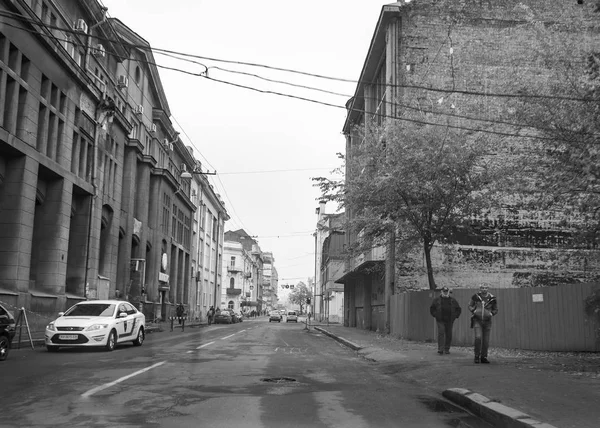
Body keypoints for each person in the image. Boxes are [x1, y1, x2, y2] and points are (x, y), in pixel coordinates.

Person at [468, 283, 499, 364]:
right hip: (477, 320)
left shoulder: (492, 298)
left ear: (488, 288)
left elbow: (495, 309)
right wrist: (474, 311)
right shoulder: (475, 297)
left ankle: (483, 357)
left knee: (486, 340)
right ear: (480, 289)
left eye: (486, 288)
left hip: (487, 321)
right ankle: (476, 356)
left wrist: (491, 314)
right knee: (478, 337)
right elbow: (470, 305)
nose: (484, 289)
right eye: (482, 288)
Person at [429, 286, 462, 355]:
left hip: (450, 320)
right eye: (444, 291)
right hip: (440, 319)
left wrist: (455, 316)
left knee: (449, 334)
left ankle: (447, 348)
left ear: (448, 292)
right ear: (441, 292)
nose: (445, 293)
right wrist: (435, 315)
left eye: (446, 291)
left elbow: (458, 309)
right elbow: (432, 309)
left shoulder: (453, 300)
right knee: (441, 332)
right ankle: (440, 349)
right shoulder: (437, 300)